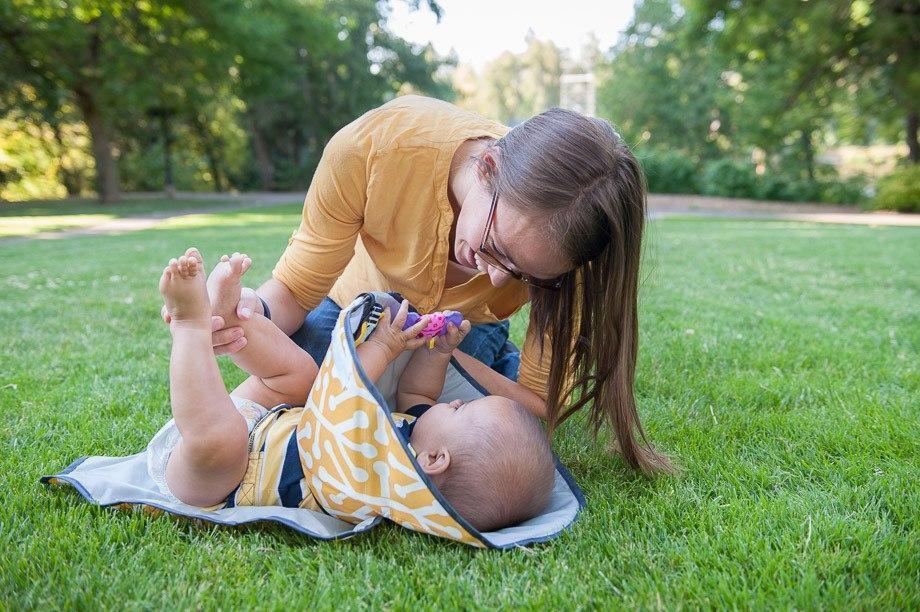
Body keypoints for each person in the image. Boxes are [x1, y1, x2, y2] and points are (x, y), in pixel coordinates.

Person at [165, 95, 672, 474]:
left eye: (524, 277)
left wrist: (432, 352)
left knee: (499, 436)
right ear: (488, 166)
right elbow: (296, 293)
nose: (494, 277)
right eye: (496, 246)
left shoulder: (577, 252)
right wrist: (242, 312)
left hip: (464, 337)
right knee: (316, 368)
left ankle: (482, 364)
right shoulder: (372, 149)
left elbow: (538, 406)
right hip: (351, 312)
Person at [153, 247, 555, 530]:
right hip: (264, 423)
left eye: (461, 410)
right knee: (300, 376)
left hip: (221, 480)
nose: (456, 402)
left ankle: (191, 326)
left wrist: (382, 346)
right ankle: (231, 319)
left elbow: (340, 398)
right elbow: (420, 396)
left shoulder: (387, 484)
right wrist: (440, 352)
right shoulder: (419, 434)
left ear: (434, 459)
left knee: (221, 438)